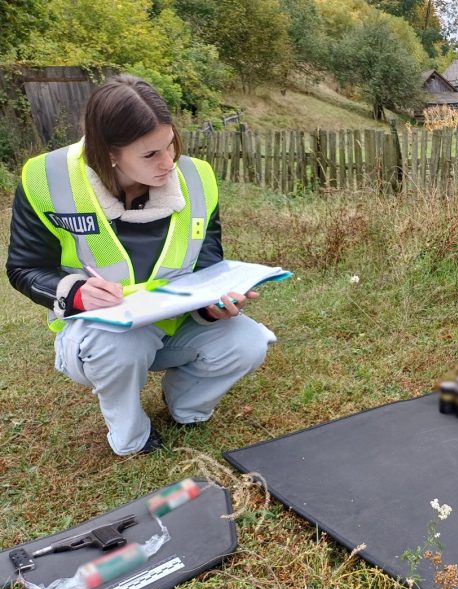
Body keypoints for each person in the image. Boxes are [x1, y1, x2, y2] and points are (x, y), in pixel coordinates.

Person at [6, 75, 277, 456]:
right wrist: (76, 293)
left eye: (170, 145)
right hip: (102, 336)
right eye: (150, 155)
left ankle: (186, 406)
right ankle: (132, 436)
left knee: (247, 342)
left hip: (176, 326)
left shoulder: (197, 177)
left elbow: (208, 261)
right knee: (120, 347)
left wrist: (214, 305)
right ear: (109, 153)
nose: (169, 163)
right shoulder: (47, 178)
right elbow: (23, 267)